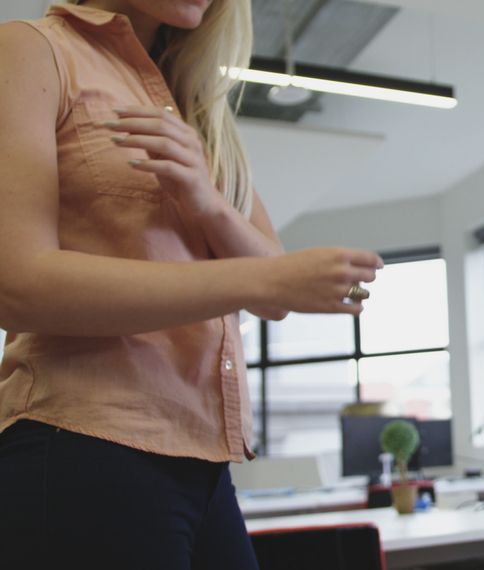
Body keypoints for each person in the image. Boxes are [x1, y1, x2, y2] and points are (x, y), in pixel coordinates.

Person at [0, 1, 382, 568]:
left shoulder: (195, 105)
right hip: (82, 441)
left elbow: (271, 293)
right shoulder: (32, 50)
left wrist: (207, 203)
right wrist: (261, 275)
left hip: (204, 467)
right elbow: (19, 286)